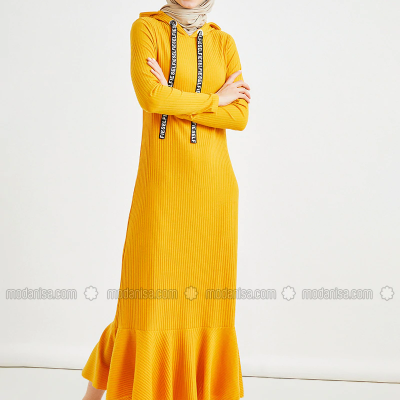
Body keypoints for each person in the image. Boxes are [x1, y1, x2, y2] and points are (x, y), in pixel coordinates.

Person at [81, 1, 250, 399]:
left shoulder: (223, 42)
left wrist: (177, 98)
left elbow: (240, 117)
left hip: (214, 191)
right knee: (145, 300)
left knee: (203, 304)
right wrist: (215, 99)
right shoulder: (146, 30)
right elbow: (152, 99)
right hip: (163, 188)